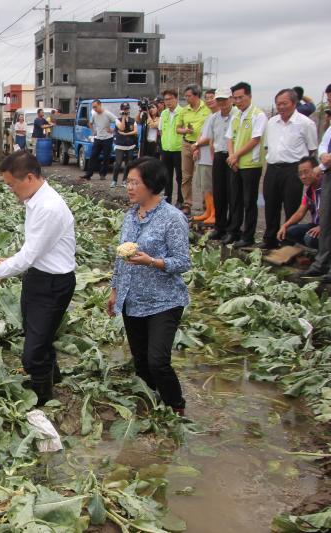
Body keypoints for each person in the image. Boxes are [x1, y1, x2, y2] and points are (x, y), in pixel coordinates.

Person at [0, 151, 76, 405]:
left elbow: (28, 255)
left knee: (33, 352)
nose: (10, 190)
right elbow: (35, 250)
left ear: (28, 177)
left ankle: (42, 399)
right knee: (38, 335)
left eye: (11, 185)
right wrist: (8, 262)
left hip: (53, 284)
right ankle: (50, 378)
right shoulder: (35, 201)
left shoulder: (48, 207)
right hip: (38, 277)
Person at [107, 157, 190, 416]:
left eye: (134, 182)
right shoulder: (130, 216)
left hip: (164, 301)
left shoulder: (172, 218)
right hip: (133, 300)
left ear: (152, 185)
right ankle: (152, 403)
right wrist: (114, 291)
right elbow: (121, 259)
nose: (129, 187)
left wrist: (152, 261)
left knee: (158, 361)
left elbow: (183, 261)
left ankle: (176, 406)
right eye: (128, 182)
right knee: (141, 362)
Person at [260, 88, 318, 249]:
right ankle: (270, 238)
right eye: (278, 104)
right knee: (271, 203)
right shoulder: (272, 122)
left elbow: (312, 148)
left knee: (291, 204)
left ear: (294, 103)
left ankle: (287, 240)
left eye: (284, 103)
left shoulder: (306, 123)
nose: (281, 107)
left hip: (293, 169)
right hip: (273, 167)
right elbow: (267, 146)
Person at [225, 81, 267, 248]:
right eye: (235, 98)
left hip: (251, 164)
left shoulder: (258, 115)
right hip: (235, 164)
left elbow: (255, 139)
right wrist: (231, 157)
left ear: (249, 96)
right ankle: (234, 231)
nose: (238, 101)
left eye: (240, 97)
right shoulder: (236, 115)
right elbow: (229, 137)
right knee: (235, 200)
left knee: (249, 201)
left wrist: (235, 155)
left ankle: (248, 235)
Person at [299, 83, 331, 280]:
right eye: (328, 99)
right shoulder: (329, 127)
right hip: (328, 172)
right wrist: (324, 156)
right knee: (326, 220)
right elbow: (321, 146)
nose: (329, 103)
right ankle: (322, 263)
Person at [198, 88, 237, 241]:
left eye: (224, 100)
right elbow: (212, 141)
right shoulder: (214, 118)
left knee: (233, 194)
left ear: (231, 99)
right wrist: (214, 160)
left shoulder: (236, 116)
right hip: (219, 156)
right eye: (219, 100)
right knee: (219, 193)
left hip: (233, 156)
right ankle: (220, 226)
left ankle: (233, 229)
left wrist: (234, 157)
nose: (222, 103)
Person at [176, 84, 211, 216]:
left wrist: (198, 144)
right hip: (187, 144)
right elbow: (178, 128)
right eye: (185, 96)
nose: (186, 98)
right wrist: (185, 130)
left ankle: (206, 205)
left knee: (203, 177)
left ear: (196, 95)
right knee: (186, 176)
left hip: (203, 146)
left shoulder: (207, 109)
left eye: (189, 96)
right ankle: (187, 203)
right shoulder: (184, 111)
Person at [277, 156, 321, 249]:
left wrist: (322, 227)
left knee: (310, 238)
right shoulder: (309, 190)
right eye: (300, 174)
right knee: (289, 231)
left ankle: (325, 255)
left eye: (306, 172)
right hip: (316, 225)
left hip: (327, 227)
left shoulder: (326, 186)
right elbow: (300, 212)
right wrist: (285, 225)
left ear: (316, 170)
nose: (303, 177)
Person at [191, 89, 217, 223]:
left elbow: (210, 137)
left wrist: (196, 144)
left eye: (212, 97)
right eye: (207, 98)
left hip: (210, 158)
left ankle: (214, 213)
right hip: (202, 156)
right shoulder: (209, 116)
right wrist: (197, 146)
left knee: (210, 186)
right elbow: (201, 134)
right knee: (204, 186)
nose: (209, 100)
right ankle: (208, 211)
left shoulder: (218, 116)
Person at [80, 100, 117, 180]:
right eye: (93, 107)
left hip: (107, 138)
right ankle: (88, 174)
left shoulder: (107, 114)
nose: (94, 109)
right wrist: (93, 131)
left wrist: (113, 130)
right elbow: (90, 123)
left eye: (95, 107)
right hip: (98, 138)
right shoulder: (94, 114)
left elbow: (117, 121)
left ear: (100, 105)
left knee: (106, 157)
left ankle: (103, 174)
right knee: (93, 156)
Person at [159, 89, 183, 206]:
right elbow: (161, 130)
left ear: (176, 98)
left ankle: (180, 199)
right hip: (166, 149)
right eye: (165, 100)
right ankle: (167, 199)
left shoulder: (183, 112)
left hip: (178, 149)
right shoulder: (164, 113)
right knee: (167, 175)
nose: (167, 102)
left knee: (180, 177)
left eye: (170, 99)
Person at [112, 102, 138, 188]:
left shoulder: (132, 120)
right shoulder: (117, 120)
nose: (125, 110)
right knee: (118, 163)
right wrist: (123, 117)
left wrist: (126, 134)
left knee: (128, 164)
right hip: (120, 144)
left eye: (127, 109)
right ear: (121, 110)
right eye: (124, 109)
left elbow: (135, 131)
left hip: (130, 144)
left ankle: (124, 180)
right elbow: (122, 128)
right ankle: (114, 180)